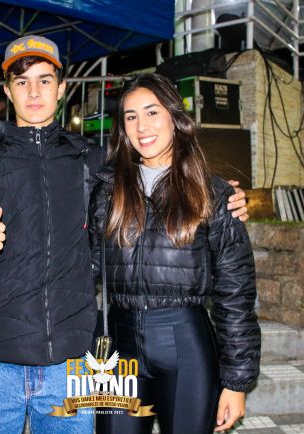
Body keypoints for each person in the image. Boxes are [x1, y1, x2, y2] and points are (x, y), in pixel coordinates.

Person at [0, 34, 250, 434]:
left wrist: (218, 194)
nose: (34, 92)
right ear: (7, 91)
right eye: (22, 82)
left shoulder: (92, 162)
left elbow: (156, 169)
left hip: (72, 363)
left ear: (62, 88)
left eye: (45, 80)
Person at [89, 74, 261, 434]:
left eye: (152, 112)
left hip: (185, 344)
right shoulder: (106, 192)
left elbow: (235, 294)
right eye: (131, 116)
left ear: (174, 117)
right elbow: (83, 268)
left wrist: (236, 382)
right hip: (119, 346)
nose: (142, 126)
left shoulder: (213, 194)